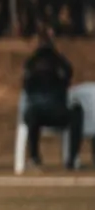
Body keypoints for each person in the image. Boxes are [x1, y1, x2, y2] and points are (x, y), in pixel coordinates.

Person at [20, 29, 81, 170]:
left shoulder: (52, 61)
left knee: (76, 112)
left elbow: (67, 76)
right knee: (32, 112)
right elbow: (27, 86)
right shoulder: (33, 62)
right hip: (42, 111)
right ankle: (35, 157)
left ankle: (71, 160)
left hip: (54, 111)